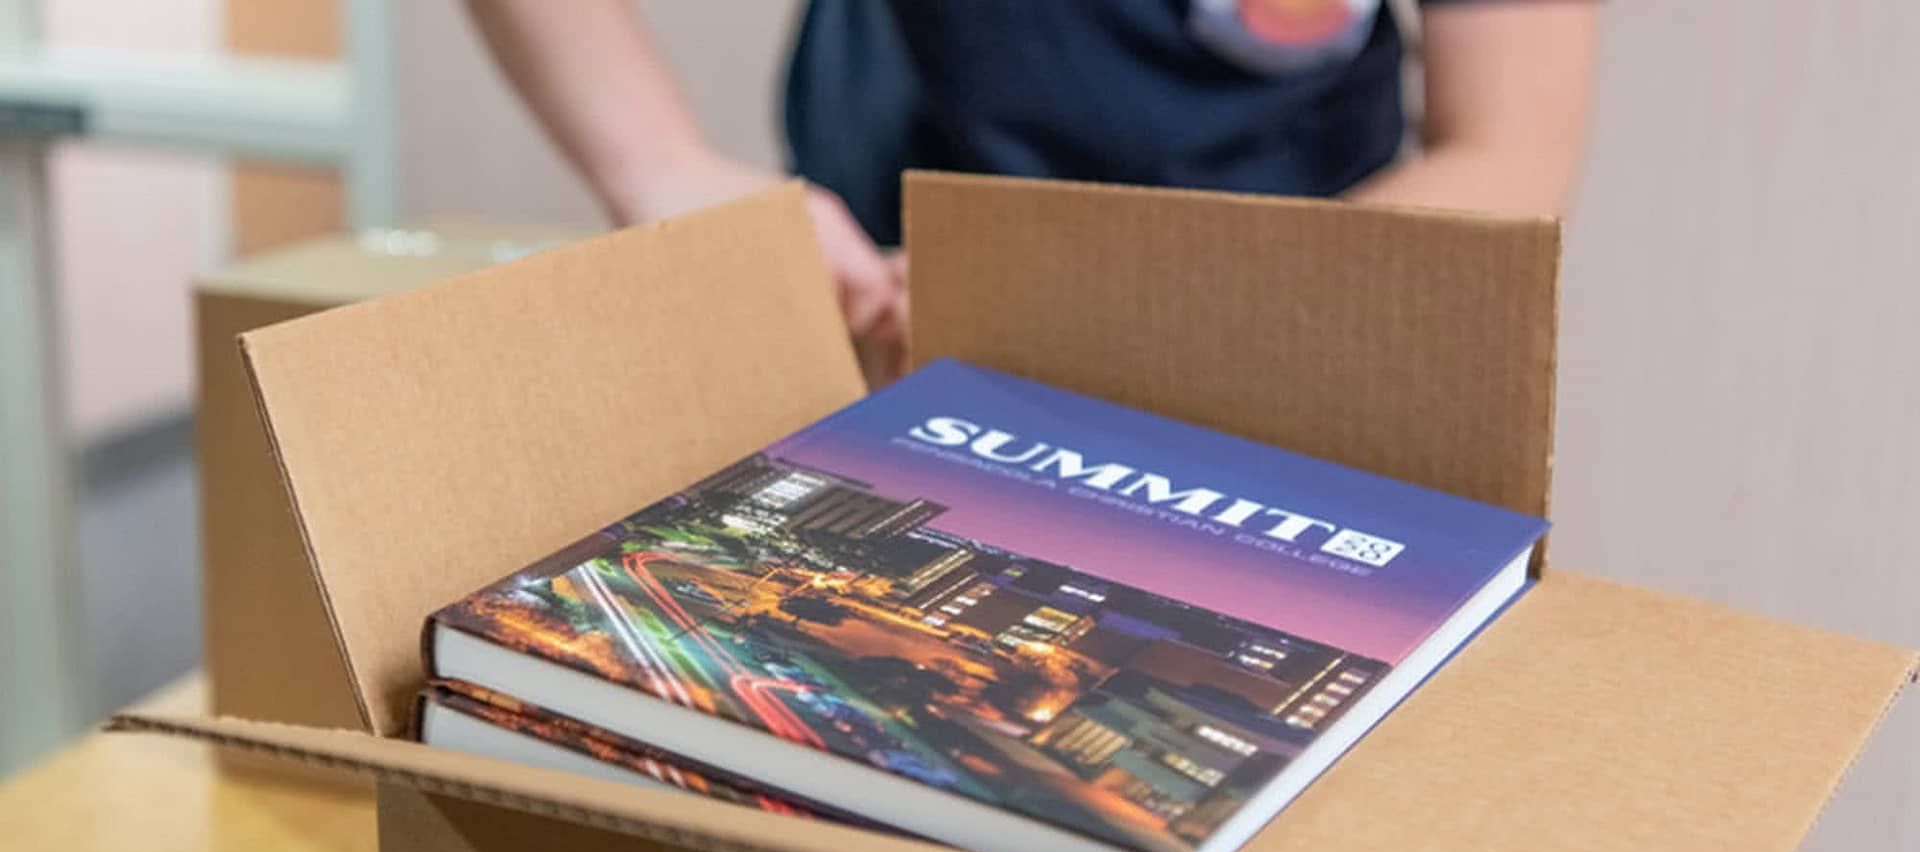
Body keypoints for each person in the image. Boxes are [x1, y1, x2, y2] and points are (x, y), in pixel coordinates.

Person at [465, 0, 1599, 381]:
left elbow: (1507, 150)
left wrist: (1134, 316)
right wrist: (661, 168)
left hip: (1299, 317)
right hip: (898, 309)